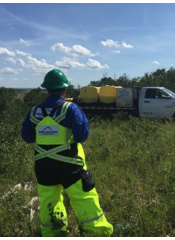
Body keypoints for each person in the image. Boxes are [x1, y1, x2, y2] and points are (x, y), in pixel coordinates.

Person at [21, 69, 113, 236]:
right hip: (69, 164)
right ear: (64, 90)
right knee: (83, 196)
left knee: (49, 199)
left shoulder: (35, 111)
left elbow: (26, 136)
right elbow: (81, 135)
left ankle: (53, 232)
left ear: (47, 89)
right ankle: (97, 232)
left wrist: (46, 134)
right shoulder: (70, 109)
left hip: (43, 164)